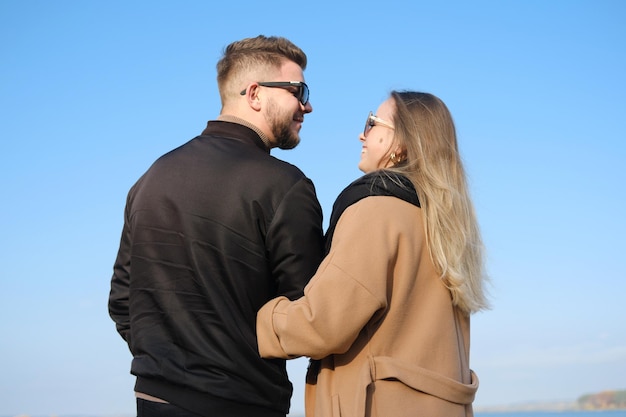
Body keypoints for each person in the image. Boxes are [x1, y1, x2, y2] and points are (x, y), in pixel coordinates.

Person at [108, 35, 324, 417]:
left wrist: (167, 363)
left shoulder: (150, 178)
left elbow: (123, 301)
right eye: (299, 90)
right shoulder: (286, 186)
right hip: (242, 402)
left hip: (154, 400)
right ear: (255, 94)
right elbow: (308, 311)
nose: (307, 105)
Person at [256, 91, 490, 417]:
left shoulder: (377, 210)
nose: (361, 134)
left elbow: (322, 324)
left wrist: (259, 318)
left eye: (372, 123)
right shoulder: (444, 223)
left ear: (403, 143)